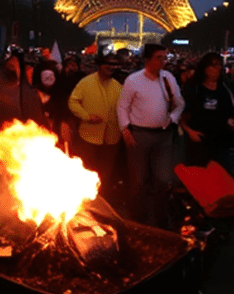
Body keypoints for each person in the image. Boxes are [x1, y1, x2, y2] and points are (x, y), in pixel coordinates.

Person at [117, 44, 185, 228]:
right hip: (139, 135)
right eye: (159, 58)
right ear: (147, 60)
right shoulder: (133, 81)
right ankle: (138, 219)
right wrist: (125, 130)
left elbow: (180, 103)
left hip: (163, 136)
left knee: (163, 180)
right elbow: (123, 106)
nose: (164, 61)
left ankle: (160, 220)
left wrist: (172, 119)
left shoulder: (168, 79)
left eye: (165, 57)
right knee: (138, 181)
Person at [68, 53, 123, 199]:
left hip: (111, 139)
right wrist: (86, 116)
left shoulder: (118, 86)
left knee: (105, 175)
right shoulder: (86, 82)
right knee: (86, 171)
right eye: (108, 64)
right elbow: (73, 102)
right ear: (99, 65)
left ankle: (102, 202)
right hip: (88, 137)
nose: (111, 68)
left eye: (114, 65)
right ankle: (83, 203)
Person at [179, 52, 234, 178]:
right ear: (204, 68)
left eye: (219, 65)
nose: (217, 68)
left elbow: (232, 111)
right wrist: (190, 132)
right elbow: (182, 114)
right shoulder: (194, 88)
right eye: (213, 65)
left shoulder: (226, 88)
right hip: (200, 143)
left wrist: (233, 123)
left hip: (222, 143)